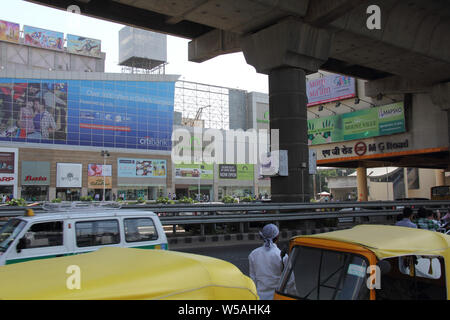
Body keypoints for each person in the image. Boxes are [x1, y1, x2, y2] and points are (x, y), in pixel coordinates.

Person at [248, 224, 289, 300]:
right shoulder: (282, 256)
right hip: (277, 297)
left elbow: (253, 279)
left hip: (260, 296)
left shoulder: (253, 254)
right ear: (277, 237)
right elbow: (290, 281)